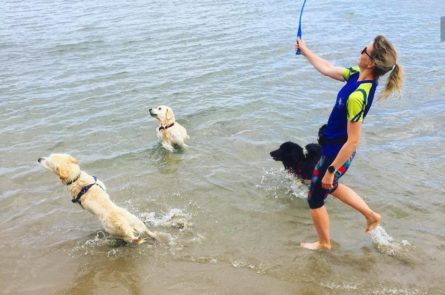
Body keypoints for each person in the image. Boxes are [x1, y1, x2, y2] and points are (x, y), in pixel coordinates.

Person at [295, 35, 404, 250]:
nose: (361, 50)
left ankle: (324, 244)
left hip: (338, 151)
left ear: (371, 62)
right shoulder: (356, 75)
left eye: (365, 49)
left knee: (315, 198)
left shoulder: (358, 96)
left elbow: (353, 140)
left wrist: (331, 170)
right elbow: (327, 68)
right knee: (331, 187)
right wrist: (305, 49)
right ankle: (371, 216)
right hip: (332, 147)